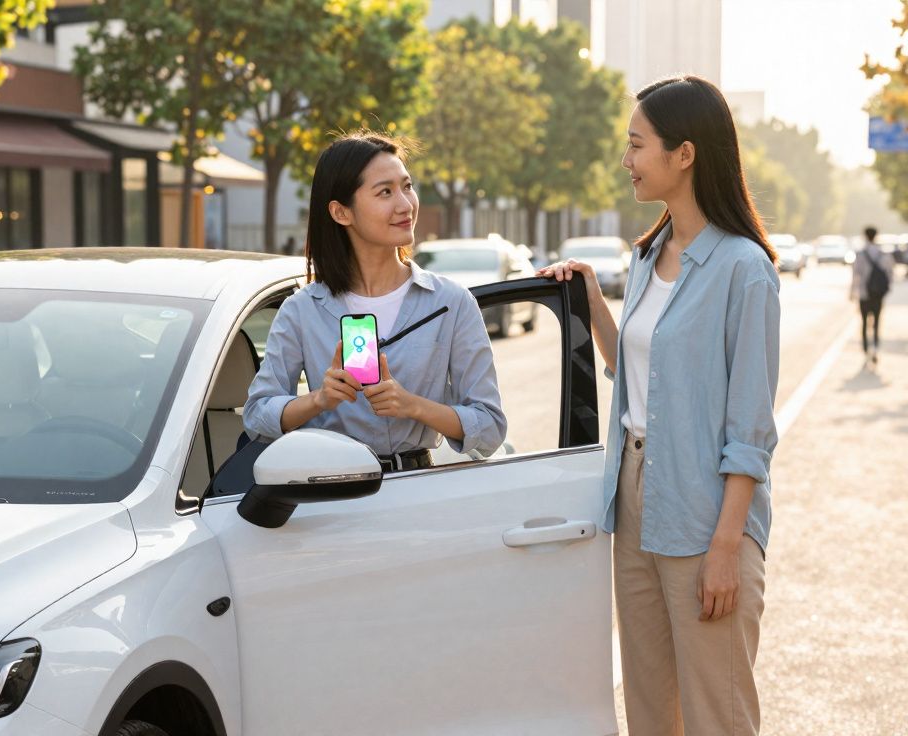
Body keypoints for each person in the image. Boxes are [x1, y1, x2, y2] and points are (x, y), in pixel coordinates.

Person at [540, 75, 779, 735]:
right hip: (634, 497)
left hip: (707, 510)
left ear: (685, 154)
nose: (627, 160)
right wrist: (593, 301)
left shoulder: (744, 269)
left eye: (637, 145)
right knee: (648, 709)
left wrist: (727, 546)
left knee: (717, 713)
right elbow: (642, 379)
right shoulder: (648, 255)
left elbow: (750, 428)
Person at [243, 132, 506, 472]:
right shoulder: (302, 310)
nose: (405, 204)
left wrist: (413, 406)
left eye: (407, 187)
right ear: (341, 212)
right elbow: (256, 417)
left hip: (422, 490)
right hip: (330, 491)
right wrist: (319, 400)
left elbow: (490, 428)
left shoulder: (451, 302)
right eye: (385, 192)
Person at [851, 226, 895, 368]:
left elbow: (855, 275)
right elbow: (890, 273)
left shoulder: (860, 254)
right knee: (876, 322)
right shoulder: (883, 254)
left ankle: (866, 350)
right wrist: (886, 289)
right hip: (878, 295)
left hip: (864, 294)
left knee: (864, 322)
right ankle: (875, 347)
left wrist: (852, 292)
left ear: (865, 236)